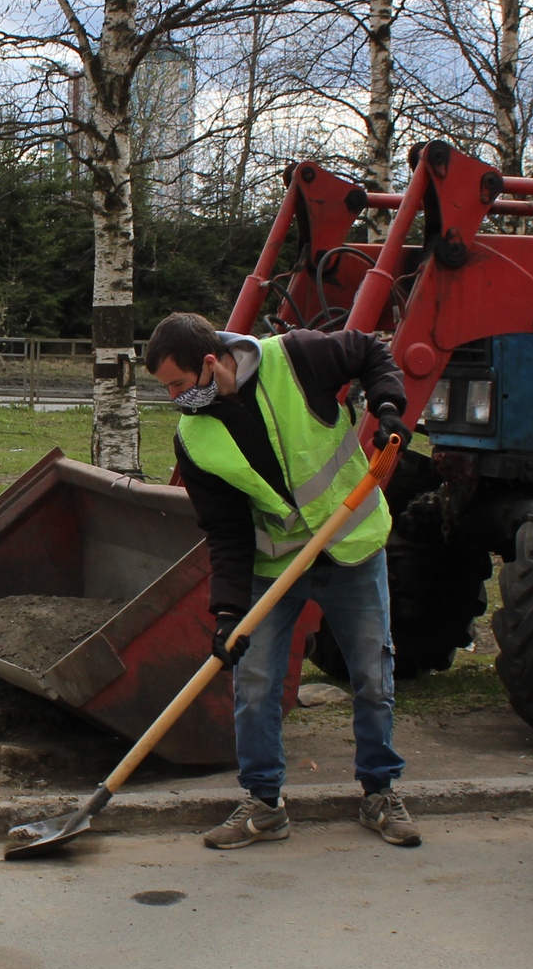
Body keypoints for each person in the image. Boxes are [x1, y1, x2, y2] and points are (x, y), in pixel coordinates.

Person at [141, 311, 419, 851]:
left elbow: (369, 350)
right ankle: (264, 805)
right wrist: (226, 614)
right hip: (275, 569)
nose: (174, 397)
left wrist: (387, 409)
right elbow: (224, 532)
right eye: (165, 389)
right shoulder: (194, 438)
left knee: (372, 675)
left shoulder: (295, 358)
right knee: (255, 684)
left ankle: (380, 793)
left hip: (352, 549)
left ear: (209, 361)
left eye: (177, 384)